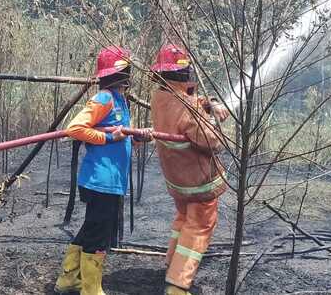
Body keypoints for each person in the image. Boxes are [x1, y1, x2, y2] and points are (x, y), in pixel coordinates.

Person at [54, 46, 149, 295]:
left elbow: (120, 135)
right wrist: (109, 139)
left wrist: (136, 137)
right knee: (98, 236)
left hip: (109, 181)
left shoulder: (120, 101)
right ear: (123, 74)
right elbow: (74, 129)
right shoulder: (104, 98)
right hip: (100, 181)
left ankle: (67, 280)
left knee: (91, 229)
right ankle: (91, 289)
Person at [150, 43, 230, 295]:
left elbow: (189, 102)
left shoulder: (160, 97)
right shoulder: (187, 108)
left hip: (177, 181)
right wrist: (213, 120)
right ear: (183, 72)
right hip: (199, 181)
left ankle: (171, 264)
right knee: (199, 227)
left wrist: (209, 103)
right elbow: (212, 142)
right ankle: (178, 284)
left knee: (183, 219)